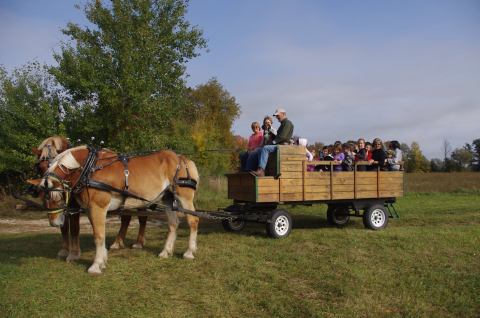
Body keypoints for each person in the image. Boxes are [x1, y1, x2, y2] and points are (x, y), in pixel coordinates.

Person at [251, 108, 294, 177]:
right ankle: (258, 169)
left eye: (278, 115)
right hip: (280, 145)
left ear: (283, 114)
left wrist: (272, 142)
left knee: (265, 148)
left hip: (283, 146)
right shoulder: (283, 124)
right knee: (262, 149)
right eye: (276, 116)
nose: (277, 117)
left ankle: (261, 171)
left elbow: (282, 137)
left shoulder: (287, 123)